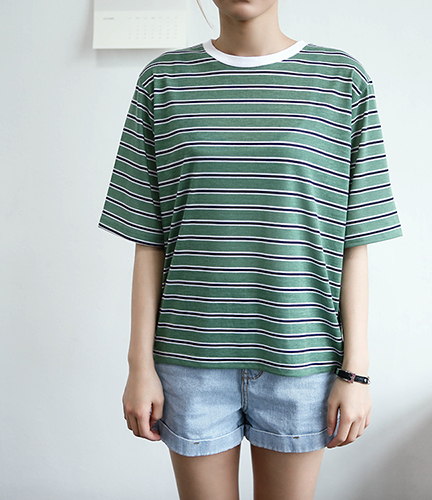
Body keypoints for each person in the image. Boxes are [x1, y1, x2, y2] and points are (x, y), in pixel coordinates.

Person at [98, 1, 402, 498]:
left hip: (301, 358)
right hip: (189, 358)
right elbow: (148, 240)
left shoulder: (340, 80)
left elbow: (355, 240)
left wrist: (357, 372)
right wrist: (139, 367)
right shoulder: (163, 81)